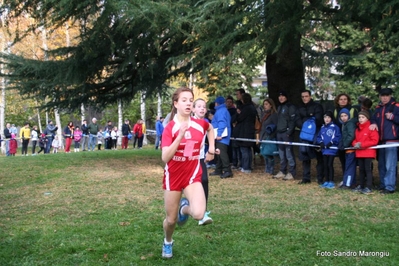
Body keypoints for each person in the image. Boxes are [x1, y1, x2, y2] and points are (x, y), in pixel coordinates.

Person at [160, 87, 216, 259]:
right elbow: (165, 157)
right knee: (171, 220)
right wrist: (180, 136)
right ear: (176, 104)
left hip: (192, 174)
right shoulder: (170, 127)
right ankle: (168, 241)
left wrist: (212, 149)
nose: (188, 103)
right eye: (184, 100)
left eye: (190, 100)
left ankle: (184, 208)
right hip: (173, 177)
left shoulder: (200, 123)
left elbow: (210, 128)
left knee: (199, 213)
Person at [370, 88, 399, 194]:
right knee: (381, 164)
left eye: (387, 95)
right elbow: (373, 118)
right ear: (380, 96)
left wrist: (393, 117)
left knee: (390, 165)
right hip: (380, 141)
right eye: (382, 95)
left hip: (392, 141)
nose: (384, 97)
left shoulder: (396, 107)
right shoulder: (378, 108)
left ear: (390, 96)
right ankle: (383, 184)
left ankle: (390, 186)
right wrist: (373, 123)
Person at [193, 98, 215, 225]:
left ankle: (203, 213)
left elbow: (210, 130)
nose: (202, 108)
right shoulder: (189, 122)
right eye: (199, 106)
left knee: (204, 181)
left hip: (199, 158)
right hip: (187, 159)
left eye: (204, 106)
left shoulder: (205, 123)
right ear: (193, 109)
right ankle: (183, 207)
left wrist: (212, 149)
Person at [295, 90, 324, 184]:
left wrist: (309, 124)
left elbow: (319, 119)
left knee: (319, 155)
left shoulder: (317, 106)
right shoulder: (299, 107)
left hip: (316, 133)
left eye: (306, 96)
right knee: (304, 155)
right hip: (304, 134)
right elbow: (297, 119)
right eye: (302, 96)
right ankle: (306, 178)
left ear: (310, 96)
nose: (304, 98)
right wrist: (305, 126)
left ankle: (320, 177)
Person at [351, 111, 379, 194]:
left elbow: (374, 141)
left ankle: (369, 187)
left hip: (368, 152)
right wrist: (355, 144)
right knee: (361, 170)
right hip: (359, 152)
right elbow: (355, 139)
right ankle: (361, 185)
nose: (360, 119)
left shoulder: (371, 128)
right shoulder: (357, 129)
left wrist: (362, 144)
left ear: (367, 118)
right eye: (359, 117)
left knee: (368, 170)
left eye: (363, 117)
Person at [273, 91, 297, 180]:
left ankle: (292, 172)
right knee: (281, 154)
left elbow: (292, 120)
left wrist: (289, 132)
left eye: (283, 96)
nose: (281, 98)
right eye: (280, 96)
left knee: (289, 153)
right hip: (279, 133)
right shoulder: (279, 107)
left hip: (286, 133)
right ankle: (282, 171)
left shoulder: (290, 107)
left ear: (286, 97)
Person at [332, 93, 358, 174]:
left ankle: (351, 179)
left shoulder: (353, 110)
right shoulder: (335, 110)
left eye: (345, 99)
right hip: (340, 137)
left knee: (352, 161)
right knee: (342, 159)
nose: (343, 101)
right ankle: (345, 177)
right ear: (338, 101)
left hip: (351, 138)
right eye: (341, 99)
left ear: (348, 100)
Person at [233, 93, 257, 173]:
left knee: (244, 149)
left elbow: (239, 118)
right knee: (248, 149)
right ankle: (249, 166)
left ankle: (246, 167)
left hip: (244, 132)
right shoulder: (253, 108)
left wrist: (238, 113)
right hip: (250, 131)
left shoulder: (246, 108)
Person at [317, 111, 341, 189]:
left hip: (331, 150)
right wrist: (320, 142)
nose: (326, 119)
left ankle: (331, 181)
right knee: (325, 165)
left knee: (329, 165)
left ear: (331, 118)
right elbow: (319, 137)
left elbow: (337, 136)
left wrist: (331, 143)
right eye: (325, 117)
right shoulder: (322, 127)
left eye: (328, 117)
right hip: (324, 150)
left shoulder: (335, 127)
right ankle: (326, 180)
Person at [209, 96, 233, 178]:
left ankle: (227, 171)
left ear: (217, 103)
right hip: (222, 136)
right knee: (219, 153)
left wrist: (219, 134)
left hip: (222, 137)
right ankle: (218, 170)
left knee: (222, 154)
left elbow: (222, 123)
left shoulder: (220, 111)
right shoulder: (222, 110)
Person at [338, 108, 358, 189]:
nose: (343, 117)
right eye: (341, 116)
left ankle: (347, 184)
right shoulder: (345, 124)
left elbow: (351, 135)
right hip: (348, 149)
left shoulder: (349, 124)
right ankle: (351, 182)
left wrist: (345, 145)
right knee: (349, 166)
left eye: (345, 115)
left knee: (349, 167)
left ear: (348, 116)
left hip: (350, 149)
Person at [259, 98, 278, 177]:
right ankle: (267, 169)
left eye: (267, 104)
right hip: (263, 136)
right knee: (264, 153)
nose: (265, 106)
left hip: (269, 136)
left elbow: (276, 126)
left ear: (271, 105)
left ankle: (270, 169)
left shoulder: (273, 115)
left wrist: (271, 136)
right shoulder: (263, 114)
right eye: (264, 104)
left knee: (269, 153)